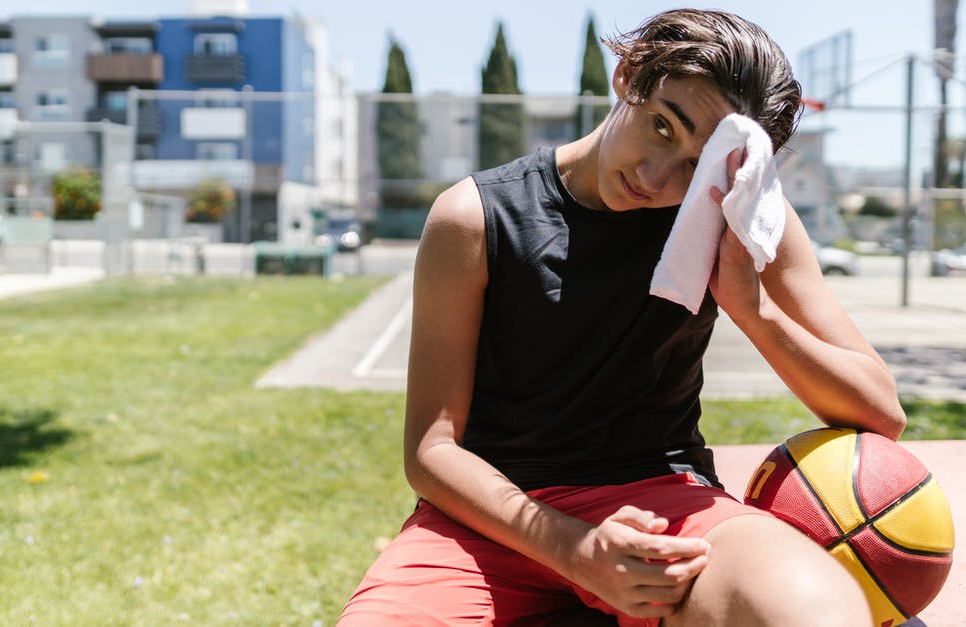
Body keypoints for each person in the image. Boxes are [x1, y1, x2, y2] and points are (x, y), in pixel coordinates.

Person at [340, 9, 905, 626]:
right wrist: (576, 550)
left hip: (662, 503)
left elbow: (880, 412)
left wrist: (753, 308)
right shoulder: (477, 217)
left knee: (811, 611)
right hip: (490, 518)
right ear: (628, 75)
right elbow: (431, 449)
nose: (655, 177)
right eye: (663, 127)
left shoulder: (737, 218)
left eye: (697, 164)